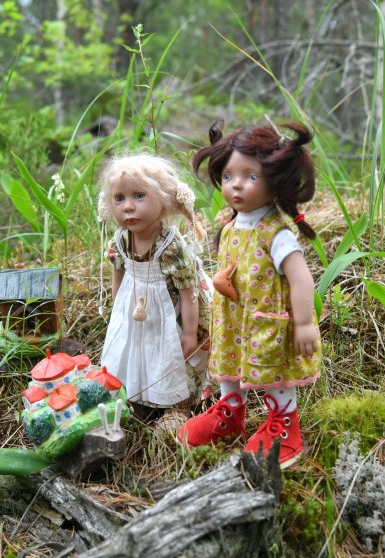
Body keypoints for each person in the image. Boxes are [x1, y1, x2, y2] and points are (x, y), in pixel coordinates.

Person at [177, 120, 321, 469]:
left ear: (275, 179)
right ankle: (230, 412)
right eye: (228, 176)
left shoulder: (276, 233)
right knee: (228, 365)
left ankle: (285, 424)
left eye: (250, 176)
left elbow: (301, 279)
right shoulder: (230, 226)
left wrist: (304, 323)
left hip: (268, 321)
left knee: (275, 370)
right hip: (233, 318)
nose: (236, 184)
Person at [98, 154, 212, 428]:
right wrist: (118, 312)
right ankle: (139, 395)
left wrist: (189, 332)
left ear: (164, 200)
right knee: (137, 350)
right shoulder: (121, 241)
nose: (128, 206)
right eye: (119, 198)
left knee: (168, 354)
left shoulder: (170, 246)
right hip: (134, 311)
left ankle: (178, 404)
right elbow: (118, 276)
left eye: (139, 195)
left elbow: (188, 291)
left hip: (169, 314)